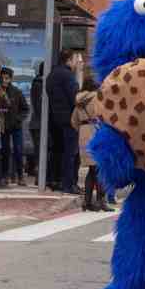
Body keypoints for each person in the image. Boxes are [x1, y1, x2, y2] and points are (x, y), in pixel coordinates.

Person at [71, 76, 110, 211]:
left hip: (83, 134)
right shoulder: (97, 97)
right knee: (99, 168)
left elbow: (73, 121)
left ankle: (87, 202)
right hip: (95, 132)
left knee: (92, 170)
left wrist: (83, 129)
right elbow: (105, 116)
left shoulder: (79, 101)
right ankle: (101, 201)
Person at [47, 50, 83, 194]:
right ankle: (69, 184)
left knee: (58, 152)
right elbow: (76, 97)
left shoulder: (52, 74)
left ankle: (56, 180)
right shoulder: (67, 75)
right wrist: (79, 74)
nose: (77, 63)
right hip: (69, 120)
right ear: (68, 60)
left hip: (55, 118)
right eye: (76, 60)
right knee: (71, 154)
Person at [0, 67, 28, 186]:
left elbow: (25, 109)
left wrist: (18, 119)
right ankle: (5, 175)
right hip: (3, 127)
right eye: (3, 78)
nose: (5, 80)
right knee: (4, 151)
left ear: (11, 78)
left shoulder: (16, 92)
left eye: (7, 78)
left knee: (18, 150)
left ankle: (20, 175)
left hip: (16, 127)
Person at [27, 62, 44, 181]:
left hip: (37, 123)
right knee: (40, 152)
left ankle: (40, 176)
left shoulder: (37, 83)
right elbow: (38, 106)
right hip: (38, 124)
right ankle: (39, 177)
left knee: (40, 151)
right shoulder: (39, 84)